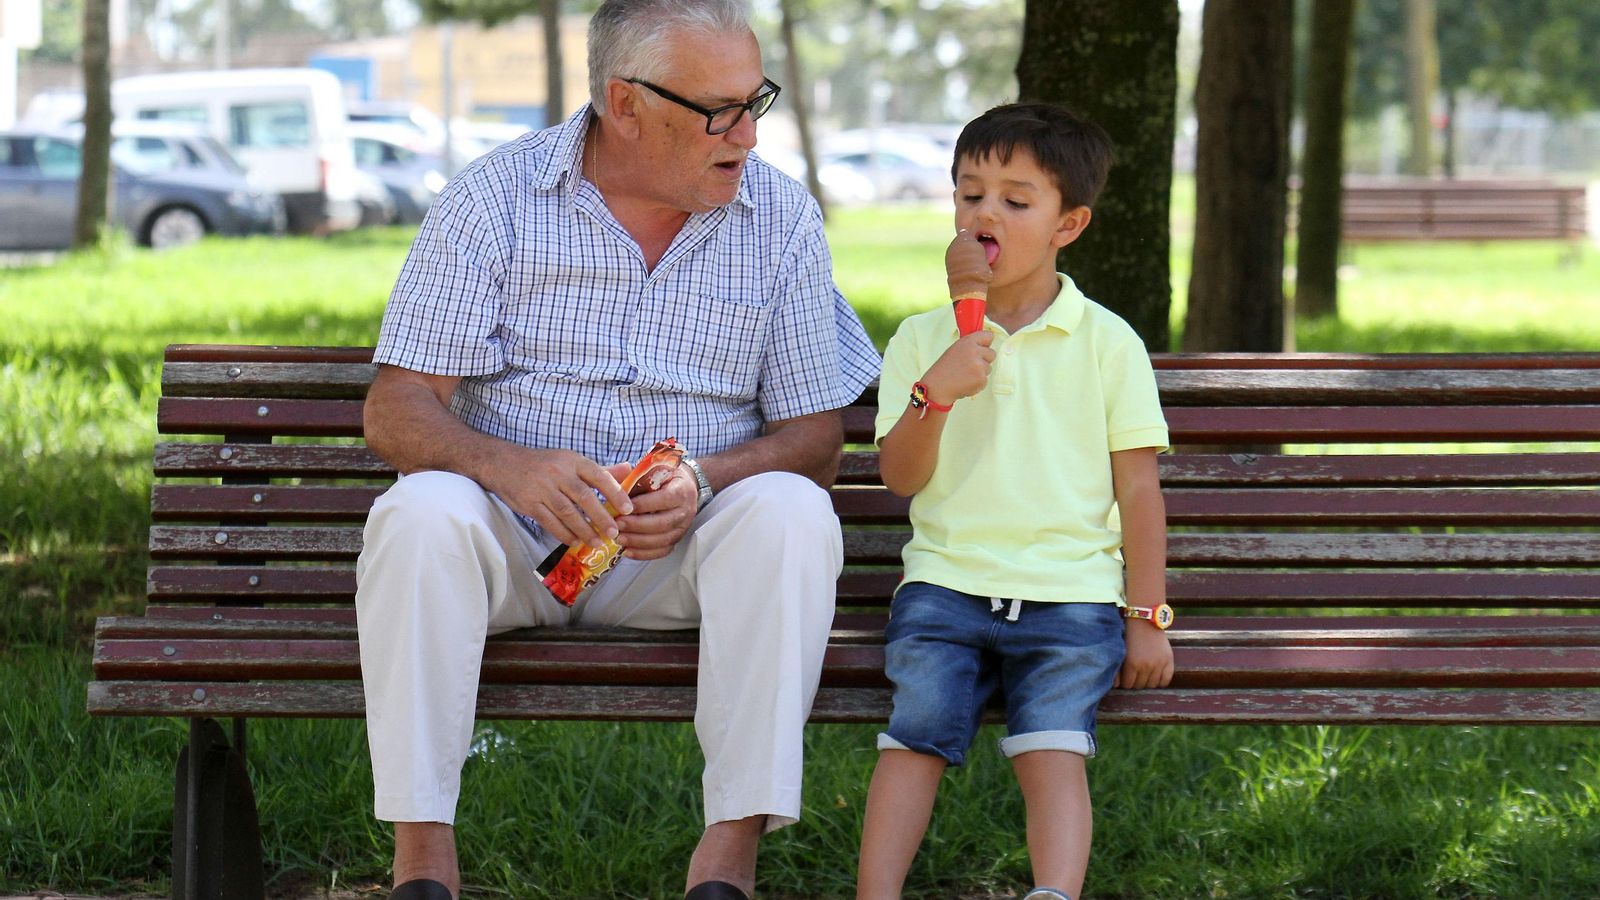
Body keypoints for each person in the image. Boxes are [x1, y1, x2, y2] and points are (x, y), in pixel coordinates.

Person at [352, 0, 879, 897]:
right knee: (419, 511)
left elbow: (814, 440)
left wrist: (706, 479)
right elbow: (395, 409)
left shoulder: (781, 218)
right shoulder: (492, 199)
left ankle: (728, 864)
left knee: (792, 510)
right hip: (512, 544)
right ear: (626, 104)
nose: (748, 135)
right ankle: (423, 864)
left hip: (678, 556)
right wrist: (507, 467)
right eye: (720, 111)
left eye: (756, 102)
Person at [854, 103, 1176, 900]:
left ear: (1069, 224)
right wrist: (936, 392)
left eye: (1015, 200)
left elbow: (1138, 488)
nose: (985, 214)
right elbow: (900, 477)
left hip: (1071, 593)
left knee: (1051, 745)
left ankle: (1053, 894)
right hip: (946, 584)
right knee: (915, 736)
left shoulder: (1108, 342)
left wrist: (1147, 616)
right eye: (970, 195)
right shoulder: (920, 339)